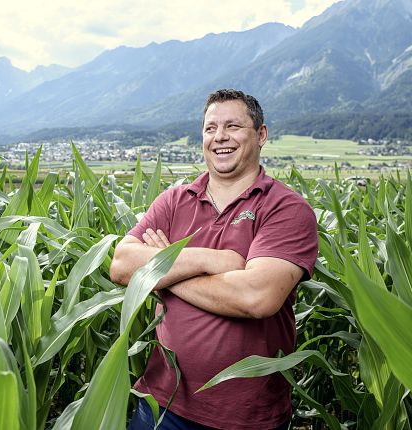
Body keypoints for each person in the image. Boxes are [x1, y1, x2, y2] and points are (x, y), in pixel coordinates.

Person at [109, 89, 318, 430]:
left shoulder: (286, 208)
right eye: (210, 128)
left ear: (261, 135)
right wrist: (211, 258)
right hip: (161, 404)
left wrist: (164, 272)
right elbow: (121, 266)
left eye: (233, 126)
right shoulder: (174, 200)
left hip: (247, 417)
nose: (219, 137)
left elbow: (255, 297)